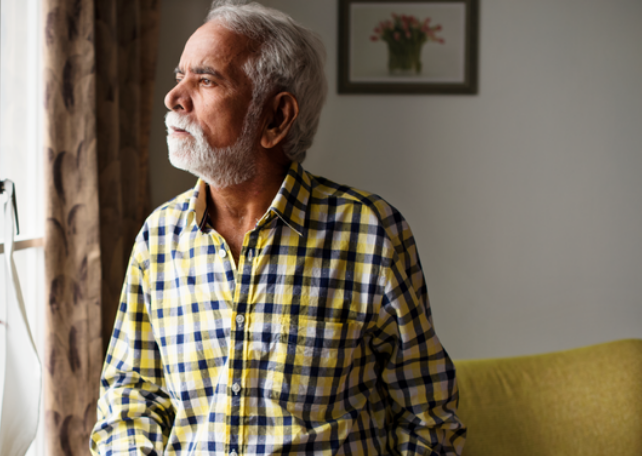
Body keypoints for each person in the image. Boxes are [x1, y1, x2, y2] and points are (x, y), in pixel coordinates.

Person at [90, 1, 466, 455]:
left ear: (275, 118)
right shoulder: (159, 238)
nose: (174, 98)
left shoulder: (370, 234)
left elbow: (428, 417)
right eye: (179, 76)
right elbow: (130, 399)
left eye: (205, 79)